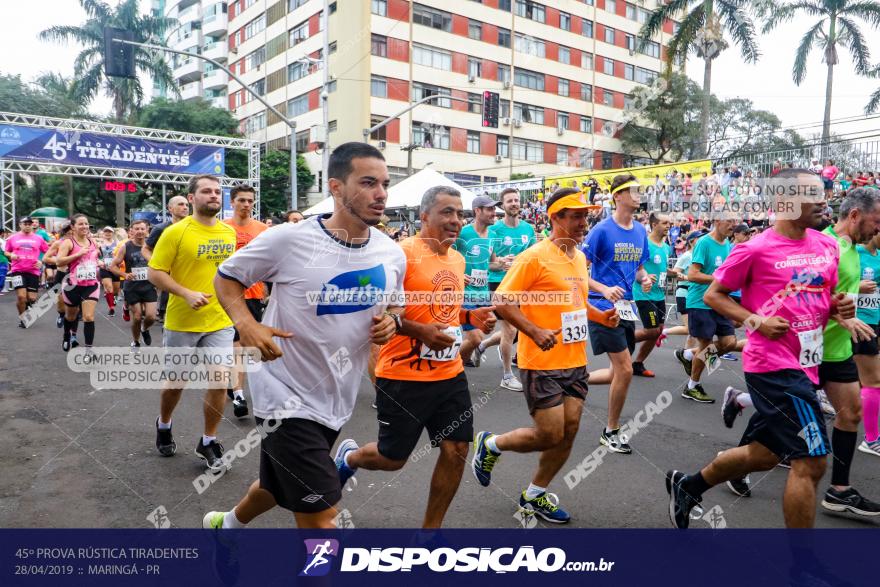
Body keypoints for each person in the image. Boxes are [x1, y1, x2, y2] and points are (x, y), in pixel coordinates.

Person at [202, 142, 406, 530]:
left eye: (384, 183)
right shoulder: (289, 239)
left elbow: (395, 304)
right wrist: (247, 325)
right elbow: (226, 277)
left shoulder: (390, 252)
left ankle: (225, 527)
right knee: (321, 515)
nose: (380, 194)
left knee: (277, 486)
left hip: (335, 395)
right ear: (336, 187)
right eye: (367, 183)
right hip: (282, 392)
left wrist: (393, 321)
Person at [665, 167, 856, 529]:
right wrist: (756, 321)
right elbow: (713, 295)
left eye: (822, 193)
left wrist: (838, 308)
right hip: (772, 368)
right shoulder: (754, 249)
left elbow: (825, 299)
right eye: (812, 194)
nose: (822, 201)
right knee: (812, 459)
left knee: (765, 455)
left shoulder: (826, 244)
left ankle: (688, 485)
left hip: (806, 365)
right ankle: (802, 567)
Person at [337, 186, 496, 529]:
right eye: (447, 212)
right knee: (392, 459)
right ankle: (349, 458)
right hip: (403, 375)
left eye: (460, 213)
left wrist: (472, 316)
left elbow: (444, 312)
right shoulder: (400, 254)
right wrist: (419, 332)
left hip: (449, 373)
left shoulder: (457, 258)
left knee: (456, 451)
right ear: (424, 216)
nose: (456, 221)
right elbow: (375, 313)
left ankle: (430, 531)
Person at [472, 188, 617, 523]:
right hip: (542, 362)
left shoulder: (579, 258)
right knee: (549, 434)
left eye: (586, 215)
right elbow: (503, 301)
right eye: (576, 216)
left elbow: (577, 303)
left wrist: (600, 315)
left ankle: (534, 494)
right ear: (555, 218)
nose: (584, 222)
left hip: (575, 361)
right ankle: (491, 444)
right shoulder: (534, 257)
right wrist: (533, 332)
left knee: (569, 431)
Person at [147, 175, 237, 471]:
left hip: (219, 320)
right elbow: (155, 272)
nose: (213, 195)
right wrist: (185, 293)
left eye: (217, 191)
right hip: (182, 321)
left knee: (220, 380)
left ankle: (208, 441)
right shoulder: (176, 232)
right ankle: (164, 423)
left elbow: (228, 273)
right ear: (192, 197)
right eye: (207, 191)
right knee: (176, 384)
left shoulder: (227, 233)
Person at [814, 187, 880, 515]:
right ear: (854, 215)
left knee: (850, 414)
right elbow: (803, 296)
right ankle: (705, 478)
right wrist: (841, 317)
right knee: (772, 438)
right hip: (808, 351)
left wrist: (849, 318)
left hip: (839, 351)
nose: (878, 228)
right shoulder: (824, 246)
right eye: (876, 221)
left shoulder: (854, 249)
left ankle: (839, 489)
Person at [582, 173, 651, 454]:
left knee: (615, 373)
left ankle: (572, 380)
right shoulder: (601, 230)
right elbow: (578, 272)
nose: (638, 194)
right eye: (633, 190)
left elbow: (638, 268)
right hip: (602, 306)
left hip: (627, 307)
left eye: (639, 190)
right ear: (618, 196)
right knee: (624, 369)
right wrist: (604, 287)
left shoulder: (640, 231)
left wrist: (644, 279)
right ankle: (610, 431)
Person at [674, 216, 738, 403]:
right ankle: (692, 386)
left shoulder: (727, 243)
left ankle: (688, 354)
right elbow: (692, 275)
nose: (733, 226)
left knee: (730, 343)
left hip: (720, 301)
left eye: (734, 223)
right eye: (729, 221)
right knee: (706, 345)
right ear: (717, 221)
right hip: (700, 302)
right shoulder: (703, 243)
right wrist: (719, 280)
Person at [478, 188, 536, 391]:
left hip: (521, 284)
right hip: (499, 284)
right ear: (503, 205)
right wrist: (500, 263)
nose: (514, 203)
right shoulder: (494, 230)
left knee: (517, 330)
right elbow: (487, 262)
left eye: (516, 200)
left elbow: (533, 258)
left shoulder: (528, 229)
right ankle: (507, 375)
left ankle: (483, 345)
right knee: (510, 329)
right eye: (509, 201)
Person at [223, 184, 268, 418]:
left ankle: (235, 384)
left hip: (254, 294)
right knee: (237, 346)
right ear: (232, 202)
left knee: (250, 347)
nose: (246, 205)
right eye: (241, 200)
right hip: (228, 295)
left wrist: (269, 288)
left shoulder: (262, 229)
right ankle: (239, 394)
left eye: (250, 201)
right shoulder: (221, 228)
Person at [454, 195, 500, 367]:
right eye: (489, 209)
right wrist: (458, 275)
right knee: (475, 338)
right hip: (465, 293)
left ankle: (458, 365)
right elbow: (447, 256)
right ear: (477, 211)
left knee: (479, 336)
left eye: (494, 209)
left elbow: (492, 264)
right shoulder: (463, 233)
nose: (494, 213)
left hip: (482, 294)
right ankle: (451, 367)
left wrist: (502, 263)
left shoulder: (493, 235)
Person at [631, 212, 675, 377]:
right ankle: (621, 340)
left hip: (659, 295)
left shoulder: (665, 246)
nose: (668, 226)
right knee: (652, 331)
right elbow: (632, 267)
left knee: (659, 329)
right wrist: (645, 277)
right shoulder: (644, 244)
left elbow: (662, 268)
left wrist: (677, 273)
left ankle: (638, 364)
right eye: (665, 223)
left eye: (669, 223)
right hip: (644, 294)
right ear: (654, 224)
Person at [109, 220, 157, 352]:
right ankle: (135, 342)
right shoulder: (126, 246)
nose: (140, 231)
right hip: (132, 287)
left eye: (142, 228)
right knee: (137, 316)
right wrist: (124, 275)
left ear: (147, 231)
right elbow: (112, 266)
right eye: (137, 229)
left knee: (151, 316)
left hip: (149, 285)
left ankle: (144, 329)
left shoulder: (152, 246)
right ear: (131, 231)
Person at [56, 214, 99, 352]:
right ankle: (66, 336)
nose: (84, 226)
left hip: (91, 285)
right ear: (73, 227)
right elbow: (59, 261)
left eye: (86, 224)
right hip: (72, 285)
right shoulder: (68, 243)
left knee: (88, 316)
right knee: (71, 315)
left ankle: (88, 350)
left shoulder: (94, 242)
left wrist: (100, 264)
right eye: (80, 224)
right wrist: (77, 254)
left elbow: (94, 260)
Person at [143, 195, 190, 321]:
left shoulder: (194, 227)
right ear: (170, 208)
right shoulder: (161, 228)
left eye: (186, 205)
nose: (185, 207)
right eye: (180, 204)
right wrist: (158, 266)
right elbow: (145, 249)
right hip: (169, 282)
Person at [854, 232, 880, 457]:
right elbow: (832, 285)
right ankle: (871, 439)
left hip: (873, 323)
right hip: (850, 325)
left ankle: (742, 399)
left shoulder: (878, 256)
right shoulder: (854, 254)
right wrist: (856, 286)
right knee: (872, 381)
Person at [4, 216, 48, 328]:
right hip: (17, 270)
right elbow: (6, 252)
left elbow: (48, 252)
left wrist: (41, 261)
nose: (28, 225)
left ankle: (28, 305)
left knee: (32, 298)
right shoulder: (13, 238)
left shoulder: (38, 238)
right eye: (25, 223)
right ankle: (23, 318)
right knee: (21, 297)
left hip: (33, 271)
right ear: (20, 225)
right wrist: (11, 255)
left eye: (29, 223)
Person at [97, 227, 120, 316]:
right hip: (104, 268)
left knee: (115, 291)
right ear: (103, 233)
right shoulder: (99, 244)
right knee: (109, 288)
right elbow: (96, 255)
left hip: (115, 269)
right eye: (106, 232)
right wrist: (99, 261)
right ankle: (111, 308)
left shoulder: (117, 244)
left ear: (113, 233)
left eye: (109, 232)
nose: (108, 233)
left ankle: (112, 299)